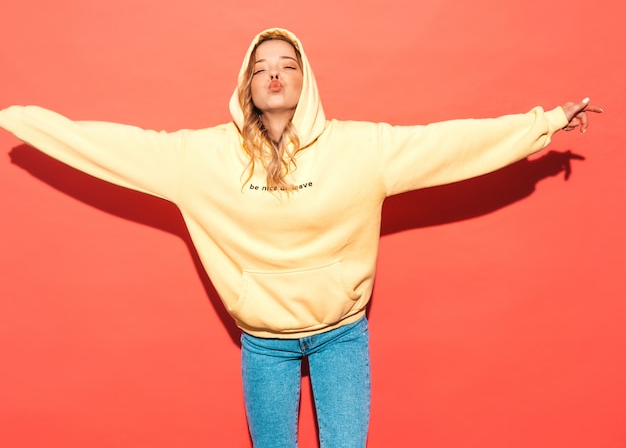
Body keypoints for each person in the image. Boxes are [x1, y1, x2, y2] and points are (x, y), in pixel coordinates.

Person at [0, 28, 602, 447]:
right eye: (261, 68)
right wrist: (15, 117)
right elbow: (108, 144)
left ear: (305, 78)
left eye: (287, 64)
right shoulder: (201, 158)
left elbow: (447, 144)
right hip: (263, 342)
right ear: (246, 85)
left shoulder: (360, 149)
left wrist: (542, 122)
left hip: (342, 334)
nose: (274, 74)